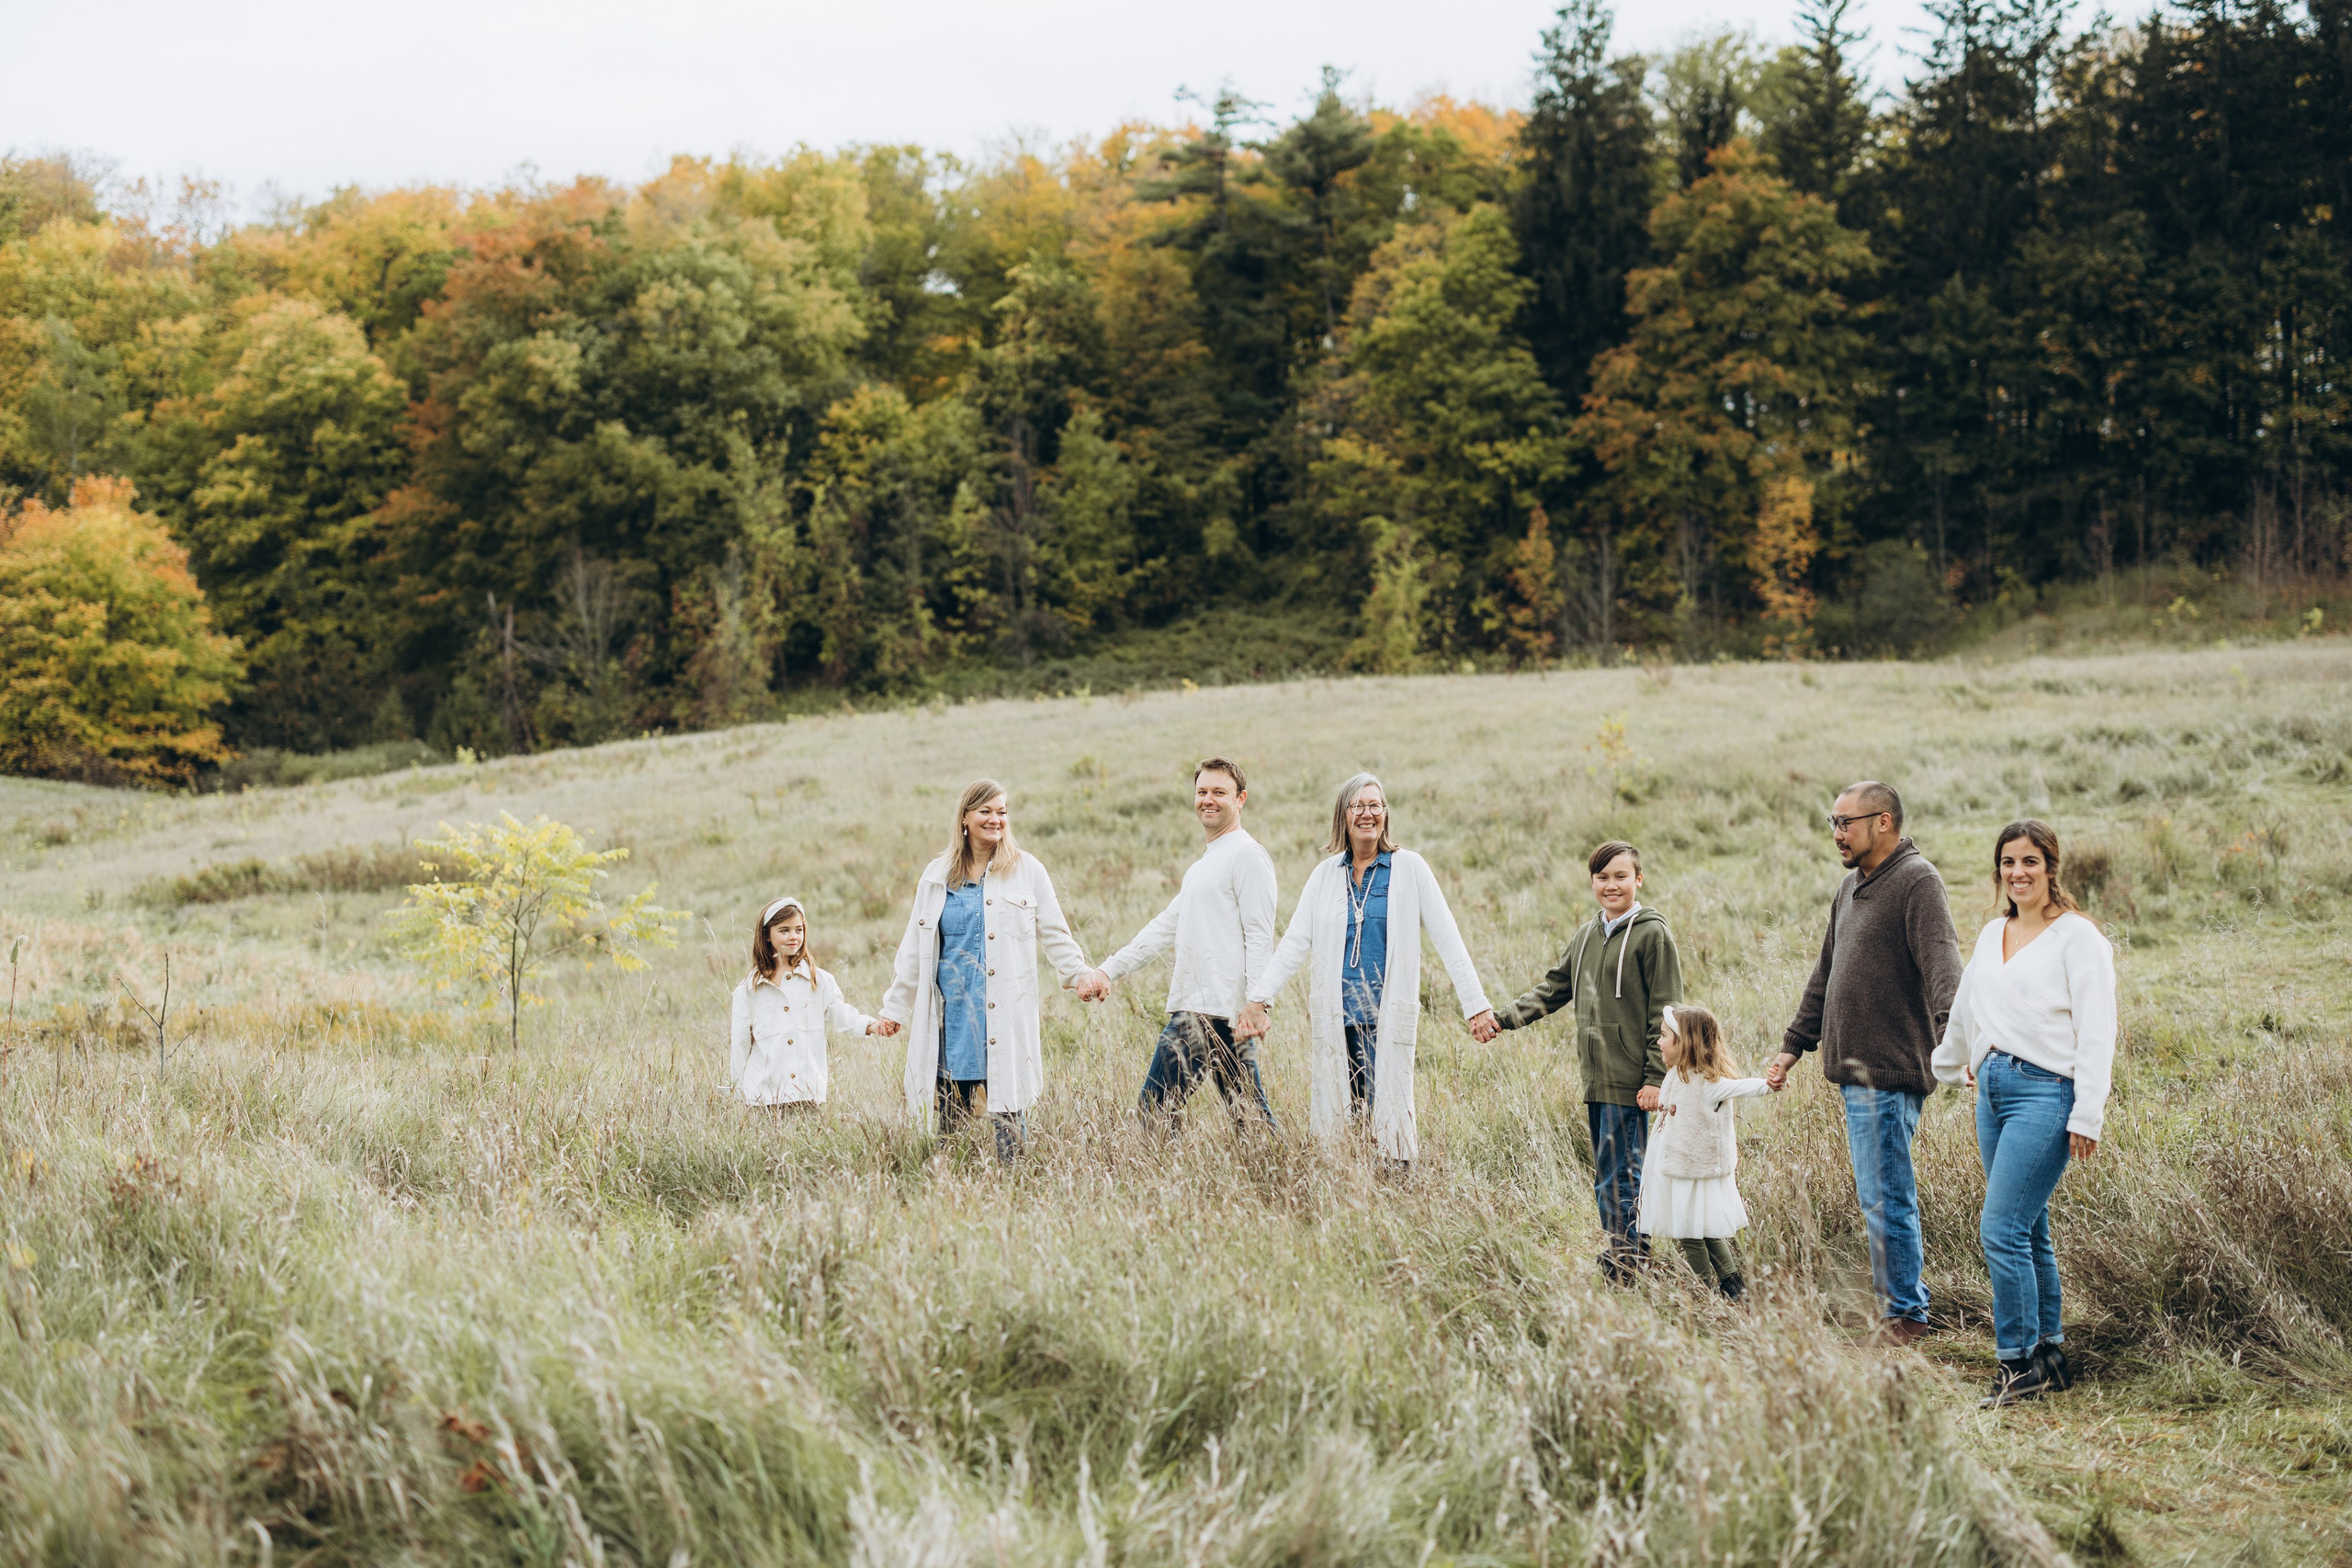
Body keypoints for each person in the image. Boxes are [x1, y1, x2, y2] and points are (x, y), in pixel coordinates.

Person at [1766, 780, 1964, 1345]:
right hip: (1854, 1073)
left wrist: (1955, 1039)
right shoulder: (1850, 887)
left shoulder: (1917, 882)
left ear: (1884, 822)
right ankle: (1899, 1306)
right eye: (1832, 822)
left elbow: (1942, 963)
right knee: (1878, 1193)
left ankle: (1905, 1316)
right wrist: (1793, 1044)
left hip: (1888, 1068)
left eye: (1845, 822)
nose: (1836, 834)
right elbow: (1825, 974)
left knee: (1886, 1196)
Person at [1933, 819, 2116, 1406]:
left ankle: (2015, 1362)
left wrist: (2088, 1112)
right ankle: (2050, 1353)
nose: (2018, 873)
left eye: (2030, 862)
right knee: (2027, 1227)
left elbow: (2097, 1028)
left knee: (2000, 1228)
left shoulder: (2078, 938)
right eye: (2008, 862)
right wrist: (1954, 1061)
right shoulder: (1993, 933)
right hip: (1992, 1091)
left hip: (2047, 1093)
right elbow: (1968, 1005)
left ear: (2051, 867)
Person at [1236, 772, 1498, 1168]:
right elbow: (1293, 943)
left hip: (1386, 1018)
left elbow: (1448, 937)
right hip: (1337, 1020)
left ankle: (1398, 1194)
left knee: (1390, 1123)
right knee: (1341, 1125)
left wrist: (1475, 1005)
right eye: (1357, 805)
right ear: (1343, 815)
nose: (1367, 814)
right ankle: (1353, 1200)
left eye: (1375, 805)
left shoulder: (1409, 868)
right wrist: (1258, 1000)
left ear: (1385, 815)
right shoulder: (1325, 876)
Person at [1492, 840, 1683, 1282]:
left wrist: (1657, 1077)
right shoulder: (1586, 935)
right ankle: (1624, 1251)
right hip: (1596, 1077)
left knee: (1620, 1175)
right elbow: (1553, 990)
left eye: (1621, 876)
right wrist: (1502, 1019)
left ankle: (1628, 1262)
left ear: (1639, 879)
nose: (1611, 885)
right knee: (1609, 1172)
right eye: (1602, 877)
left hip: (1632, 1078)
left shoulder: (1653, 934)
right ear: (1592, 882)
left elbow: (1668, 1012)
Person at [880, 779, 1092, 1161]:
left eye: (1002, 812)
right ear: (965, 817)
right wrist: (895, 1009)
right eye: (986, 811)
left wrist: (1079, 976)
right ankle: (954, 1187)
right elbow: (914, 947)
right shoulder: (936, 876)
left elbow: (1056, 934)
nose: (996, 820)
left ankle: (1015, 1188)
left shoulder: (1027, 870)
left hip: (1006, 1015)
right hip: (955, 1020)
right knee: (952, 1124)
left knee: (1009, 1120)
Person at [1077, 757, 1280, 1131]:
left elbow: (1259, 934)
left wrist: (1257, 1004)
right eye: (1202, 792)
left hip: (1211, 1014)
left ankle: (1160, 1181)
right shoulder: (1202, 867)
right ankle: (1282, 1178)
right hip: (1208, 1011)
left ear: (1241, 799)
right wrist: (1108, 970)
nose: (1208, 800)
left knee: (1153, 1112)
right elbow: (1162, 929)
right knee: (1250, 1120)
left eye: (1220, 792)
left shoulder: (1248, 856)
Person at [1637, 1003, 1779, 1300]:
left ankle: (1701, 1293)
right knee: (1704, 1229)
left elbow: (1739, 1087)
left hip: (1692, 1170)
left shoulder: (1706, 1084)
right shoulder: (1676, 1074)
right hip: (1675, 1165)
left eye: (1664, 1036)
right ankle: (1734, 1287)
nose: (1658, 1042)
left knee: (1691, 1231)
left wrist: (1768, 1084)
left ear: (1684, 1043)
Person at [729, 896, 893, 1108]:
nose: (793, 936)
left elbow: (839, 1013)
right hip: (762, 1097)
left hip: (807, 1094)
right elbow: (740, 1046)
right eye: (784, 930)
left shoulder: (819, 980)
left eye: (799, 929)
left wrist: (872, 1026)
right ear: (767, 935)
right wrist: (738, 1093)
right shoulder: (748, 990)